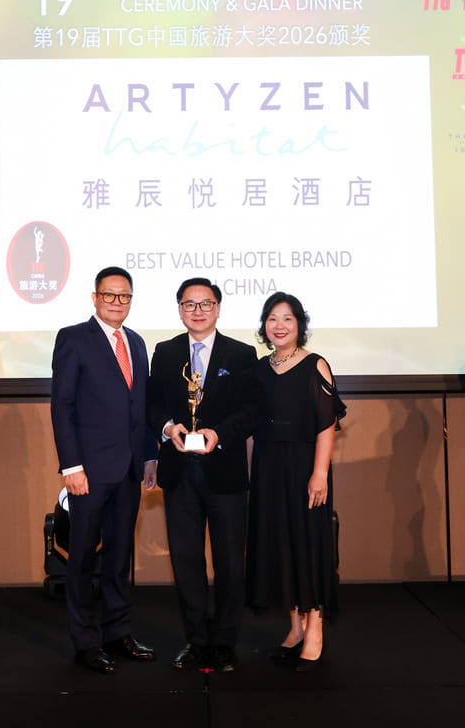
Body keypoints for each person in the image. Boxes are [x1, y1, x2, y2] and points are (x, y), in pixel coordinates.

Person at [146, 278, 265, 672]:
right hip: (179, 472)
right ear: (179, 309)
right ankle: (196, 641)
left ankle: (225, 643)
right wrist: (168, 429)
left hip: (225, 472)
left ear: (218, 308)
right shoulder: (165, 352)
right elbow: (152, 405)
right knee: (186, 561)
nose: (197, 311)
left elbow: (253, 409)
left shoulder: (242, 354)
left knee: (230, 563)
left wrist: (220, 433)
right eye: (189, 304)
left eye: (205, 303)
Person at [50, 267, 159, 674]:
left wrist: (149, 457)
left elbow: (140, 408)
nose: (117, 302)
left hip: (129, 469)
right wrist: (71, 466)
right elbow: (62, 406)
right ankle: (85, 642)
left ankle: (118, 632)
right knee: (82, 558)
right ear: (94, 298)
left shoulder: (137, 342)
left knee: (118, 555)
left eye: (124, 296)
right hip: (88, 471)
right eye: (109, 295)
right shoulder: (73, 338)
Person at [246, 292, 345, 672]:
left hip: (305, 467)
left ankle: (315, 628)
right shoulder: (259, 368)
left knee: (308, 543)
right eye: (272, 318)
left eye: (287, 318)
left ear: (299, 324)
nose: (279, 325)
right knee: (278, 544)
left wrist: (319, 474)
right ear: (264, 325)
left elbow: (326, 425)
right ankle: (295, 626)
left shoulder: (315, 365)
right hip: (268, 467)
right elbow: (251, 424)